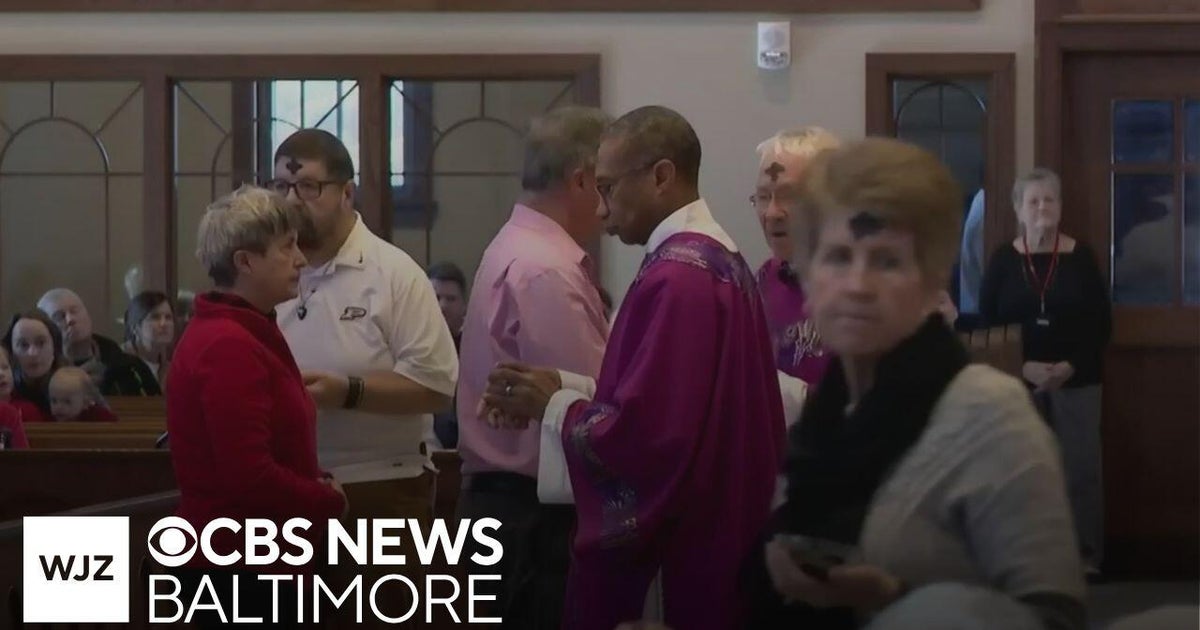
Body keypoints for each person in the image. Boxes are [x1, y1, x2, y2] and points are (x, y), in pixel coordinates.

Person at [748, 138, 1085, 630]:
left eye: (886, 261)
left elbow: (1057, 619)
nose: (857, 285)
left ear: (930, 281)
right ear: (808, 276)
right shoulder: (824, 417)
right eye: (838, 257)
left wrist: (894, 600)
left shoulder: (991, 414)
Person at [479, 106, 786, 630]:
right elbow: (666, 398)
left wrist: (553, 407)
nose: (601, 210)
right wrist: (564, 386)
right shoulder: (713, 258)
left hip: (684, 546)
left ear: (661, 176)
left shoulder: (678, 278)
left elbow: (649, 437)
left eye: (609, 188)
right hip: (723, 517)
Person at [268, 129, 458, 626]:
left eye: (309, 187)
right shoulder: (270, 272)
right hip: (288, 494)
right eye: (281, 186)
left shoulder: (393, 274)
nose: (292, 200)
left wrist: (347, 391)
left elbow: (437, 387)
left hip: (382, 488)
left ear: (346, 192)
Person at [456, 106, 611, 629]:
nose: (610, 205)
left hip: (505, 505)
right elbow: (591, 408)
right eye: (608, 183)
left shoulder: (516, 245)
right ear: (582, 179)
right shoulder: (545, 269)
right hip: (531, 516)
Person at [168, 185, 348, 628]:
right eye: (286, 247)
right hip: (237, 568)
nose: (300, 259)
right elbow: (248, 475)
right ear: (245, 262)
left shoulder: (248, 330)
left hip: (257, 559)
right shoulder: (227, 344)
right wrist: (325, 499)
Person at [979, 167, 1111, 577]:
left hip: (1078, 379)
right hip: (1017, 382)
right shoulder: (1003, 261)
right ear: (1018, 209)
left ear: (1060, 206)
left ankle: (1085, 556)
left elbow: (1101, 325)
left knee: (1081, 471)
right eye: (1033, 201)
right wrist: (1023, 367)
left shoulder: (1081, 257)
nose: (1041, 208)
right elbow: (987, 326)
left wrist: (1069, 366)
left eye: (1049, 199)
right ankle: (1026, 559)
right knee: (1021, 472)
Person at [37, 288, 159, 396]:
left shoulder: (129, 367)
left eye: (74, 311)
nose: (70, 319)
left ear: (87, 314)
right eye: (59, 317)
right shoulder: (41, 375)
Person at [428, 260, 468, 449]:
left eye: (451, 299)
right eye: (436, 297)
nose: (443, 306)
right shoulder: (408, 348)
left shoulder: (476, 349)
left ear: (464, 307)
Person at [2, 310, 65, 423]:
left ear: (54, 347)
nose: (32, 353)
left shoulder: (77, 385)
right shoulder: (5, 392)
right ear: (11, 352)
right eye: (23, 345)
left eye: (41, 343)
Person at [121, 290, 176, 389]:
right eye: (155, 317)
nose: (163, 323)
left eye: (168, 317)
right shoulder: (118, 363)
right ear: (135, 327)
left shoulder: (172, 369)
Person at [48, 366, 118, 422]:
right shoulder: (49, 418)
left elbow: (114, 426)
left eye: (67, 402)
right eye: (54, 401)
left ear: (85, 402)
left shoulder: (98, 416)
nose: (59, 407)